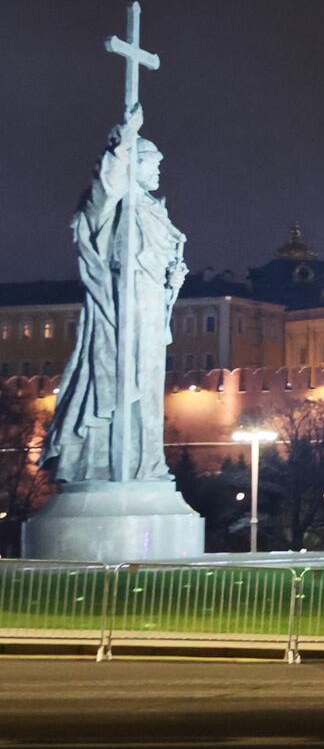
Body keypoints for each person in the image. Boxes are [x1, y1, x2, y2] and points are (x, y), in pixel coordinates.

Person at [42, 105, 187, 483]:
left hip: (152, 307)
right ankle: (105, 464)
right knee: (120, 381)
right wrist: (123, 143)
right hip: (122, 308)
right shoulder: (114, 204)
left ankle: (146, 464)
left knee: (149, 388)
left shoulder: (157, 211)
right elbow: (103, 190)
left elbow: (159, 261)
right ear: (131, 166)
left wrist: (173, 280)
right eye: (151, 163)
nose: (158, 170)